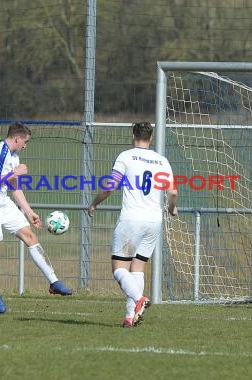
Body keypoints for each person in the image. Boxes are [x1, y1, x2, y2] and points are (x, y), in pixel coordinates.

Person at [0, 122, 73, 313]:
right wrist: (15, 173)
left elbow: (15, 187)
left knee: (30, 237)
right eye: (25, 141)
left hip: (3, 203)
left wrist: (29, 212)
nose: (25, 145)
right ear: (17, 138)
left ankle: (54, 282)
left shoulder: (14, 156)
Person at [88, 121, 178, 327]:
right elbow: (172, 192)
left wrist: (94, 203)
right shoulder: (161, 160)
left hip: (132, 221)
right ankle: (130, 317)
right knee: (137, 268)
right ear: (151, 138)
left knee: (119, 268)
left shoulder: (126, 156)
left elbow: (110, 186)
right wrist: (172, 208)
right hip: (154, 222)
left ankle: (139, 300)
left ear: (133, 136)